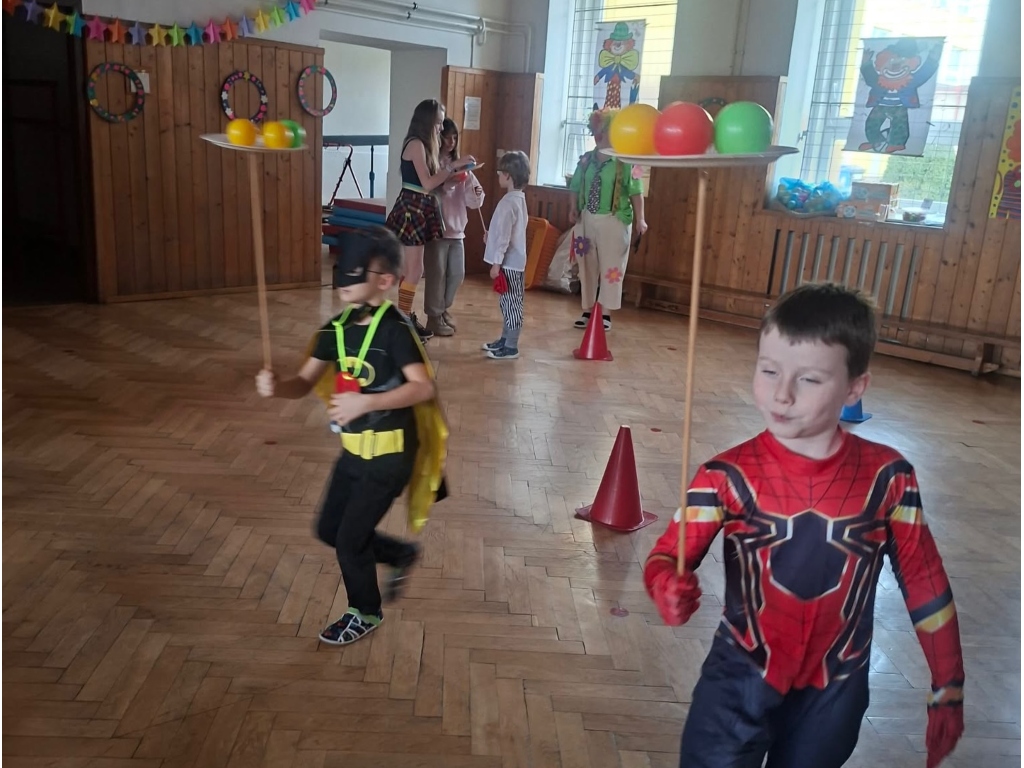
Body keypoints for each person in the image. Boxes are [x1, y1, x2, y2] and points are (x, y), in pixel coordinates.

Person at [643, 283, 965, 768]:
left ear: (855, 387)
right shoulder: (723, 476)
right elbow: (668, 554)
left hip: (836, 693)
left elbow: (925, 581)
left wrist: (949, 682)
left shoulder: (890, 479)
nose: (782, 393)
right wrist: (666, 584)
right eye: (769, 370)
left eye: (810, 379)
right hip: (737, 682)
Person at [255, 227, 441, 646]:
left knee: (348, 540)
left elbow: (422, 387)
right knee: (328, 529)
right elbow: (303, 383)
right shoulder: (335, 330)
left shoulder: (395, 331)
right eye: (342, 269)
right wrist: (277, 386)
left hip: (390, 456)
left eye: (355, 272)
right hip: (354, 453)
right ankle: (399, 553)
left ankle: (365, 611)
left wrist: (365, 403)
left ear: (385, 280)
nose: (343, 280)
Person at [385, 99, 475, 341]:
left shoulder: (425, 146)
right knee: (415, 270)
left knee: (413, 270)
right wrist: (453, 166)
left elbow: (432, 183)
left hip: (421, 207)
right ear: (426, 121)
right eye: (438, 123)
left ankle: (404, 318)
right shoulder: (415, 144)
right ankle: (403, 321)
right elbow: (426, 183)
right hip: (412, 208)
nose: (440, 128)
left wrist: (453, 174)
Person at [567, 108, 648, 331]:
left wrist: (641, 219)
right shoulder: (586, 159)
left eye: (602, 130)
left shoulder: (626, 161)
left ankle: (605, 313)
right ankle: (587, 309)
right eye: (595, 130)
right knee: (586, 265)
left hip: (615, 220)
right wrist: (573, 208)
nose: (598, 135)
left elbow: (636, 191)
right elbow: (575, 186)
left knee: (612, 267)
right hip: (587, 219)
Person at [422, 118, 485, 338]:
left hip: (457, 230)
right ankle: (434, 317)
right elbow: (430, 190)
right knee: (436, 275)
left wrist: (475, 192)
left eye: (454, 137)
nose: (451, 141)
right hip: (437, 229)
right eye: (447, 137)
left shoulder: (462, 165)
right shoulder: (433, 163)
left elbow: (474, 200)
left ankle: (442, 309)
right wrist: (448, 182)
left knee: (457, 274)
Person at [481, 150, 530, 360]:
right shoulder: (518, 200)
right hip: (513, 262)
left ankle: (511, 346)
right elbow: (508, 233)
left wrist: (496, 262)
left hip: (509, 263)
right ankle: (505, 339)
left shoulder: (508, 203)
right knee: (508, 302)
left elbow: (505, 237)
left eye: (500, 172)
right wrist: (491, 239)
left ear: (508, 175)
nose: (498, 176)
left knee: (511, 304)